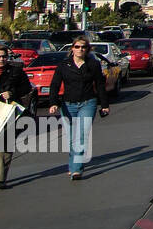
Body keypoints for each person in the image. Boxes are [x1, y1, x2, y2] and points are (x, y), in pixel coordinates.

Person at [46, 37, 110, 180]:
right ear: (72, 49)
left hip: (88, 103)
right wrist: (53, 103)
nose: (80, 49)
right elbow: (55, 85)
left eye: (83, 47)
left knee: (81, 137)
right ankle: (73, 164)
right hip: (68, 105)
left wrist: (104, 105)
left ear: (87, 49)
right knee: (71, 138)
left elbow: (100, 85)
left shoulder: (93, 64)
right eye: (77, 47)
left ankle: (76, 169)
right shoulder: (64, 65)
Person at [0, 44, 33, 188]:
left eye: (4, 56)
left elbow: (26, 88)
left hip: (9, 111)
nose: (2, 59)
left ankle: (0, 178)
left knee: (4, 145)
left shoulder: (16, 71)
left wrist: (11, 93)